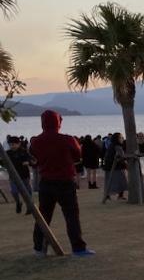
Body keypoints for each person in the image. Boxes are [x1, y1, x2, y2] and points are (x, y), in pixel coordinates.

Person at [30, 110, 94, 257]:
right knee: (71, 215)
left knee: (43, 215)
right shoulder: (67, 140)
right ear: (58, 122)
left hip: (46, 181)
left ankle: (38, 247)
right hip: (65, 181)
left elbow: (34, 156)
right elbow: (77, 155)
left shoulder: (35, 141)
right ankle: (78, 248)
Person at [5, 136, 35, 214]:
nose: (12, 146)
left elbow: (33, 160)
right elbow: (3, 162)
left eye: (13, 144)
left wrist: (29, 162)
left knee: (27, 192)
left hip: (24, 175)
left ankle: (29, 207)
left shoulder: (24, 152)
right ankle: (18, 203)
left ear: (18, 144)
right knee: (14, 191)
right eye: (10, 145)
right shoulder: (7, 153)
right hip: (13, 176)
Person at [101, 132, 128, 202]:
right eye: (121, 138)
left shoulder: (111, 146)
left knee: (109, 182)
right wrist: (126, 165)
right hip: (117, 167)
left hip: (109, 166)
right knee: (122, 181)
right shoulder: (118, 147)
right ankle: (120, 195)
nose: (122, 139)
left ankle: (107, 196)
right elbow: (121, 157)